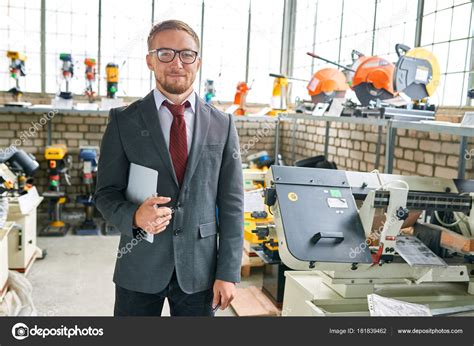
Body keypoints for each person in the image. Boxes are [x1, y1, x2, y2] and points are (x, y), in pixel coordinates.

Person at [94, 19, 244, 316]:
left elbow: (232, 204)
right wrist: (134, 216)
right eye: (165, 53)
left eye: (186, 54)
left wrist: (228, 272)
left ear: (197, 62)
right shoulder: (124, 121)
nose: (177, 63)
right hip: (139, 264)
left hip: (200, 270)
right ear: (150, 60)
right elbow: (105, 193)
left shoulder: (222, 125)